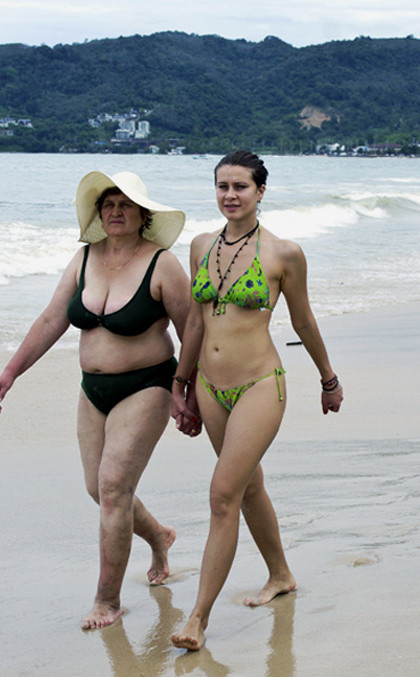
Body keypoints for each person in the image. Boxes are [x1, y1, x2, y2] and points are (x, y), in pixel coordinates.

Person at [0, 170, 201, 630]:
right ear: (99, 214)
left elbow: (192, 331)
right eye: (108, 204)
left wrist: (189, 393)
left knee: (113, 490)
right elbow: (52, 319)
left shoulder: (162, 264)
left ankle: (107, 601)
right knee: (98, 489)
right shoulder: (84, 258)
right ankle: (159, 536)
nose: (116, 211)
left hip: (148, 384)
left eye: (125, 204)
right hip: (93, 390)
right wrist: (11, 371)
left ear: (143, 214)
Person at [169, 150, 344, 651]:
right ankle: (281, 574)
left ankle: (196, 619)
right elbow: (196, 322)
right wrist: (181, 383)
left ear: (261, 191)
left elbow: (303, 320)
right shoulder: (201, 246)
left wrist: (328, 379)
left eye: (240, 186)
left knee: (222, 494)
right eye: (222, 186)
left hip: (260, 385)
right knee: (247, 487)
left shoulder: (284, 254)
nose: (230, 195)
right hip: (210, 387)